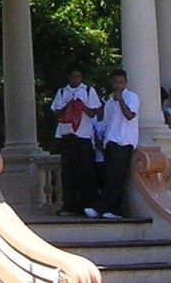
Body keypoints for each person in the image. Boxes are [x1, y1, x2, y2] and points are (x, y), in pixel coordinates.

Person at [87, 69, 139, 219]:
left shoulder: (132, 97)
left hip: (124, 141)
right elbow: (106, 122)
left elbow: (129, 115)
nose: (118, 85)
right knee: (111, 176)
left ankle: (101, 207)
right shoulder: (109, 102)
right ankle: (115, 209)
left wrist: (120, 99)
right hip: (110, 140)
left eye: (121, 82)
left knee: (115, 176)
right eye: (116, 82)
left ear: (125, 83)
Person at [50, 68, 102, 215]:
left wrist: (81, 106)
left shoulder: (88, 91)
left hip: (84, 137)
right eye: (73, 76)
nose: (75, 79)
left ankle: (88, 204)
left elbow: (93, 112)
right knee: (68, 173)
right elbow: (56, 113)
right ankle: (69, 205)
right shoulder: (62, 92)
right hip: (68, 137)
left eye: (78, 76)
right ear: (69, 77)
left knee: (86, 172)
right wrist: (68, 106)